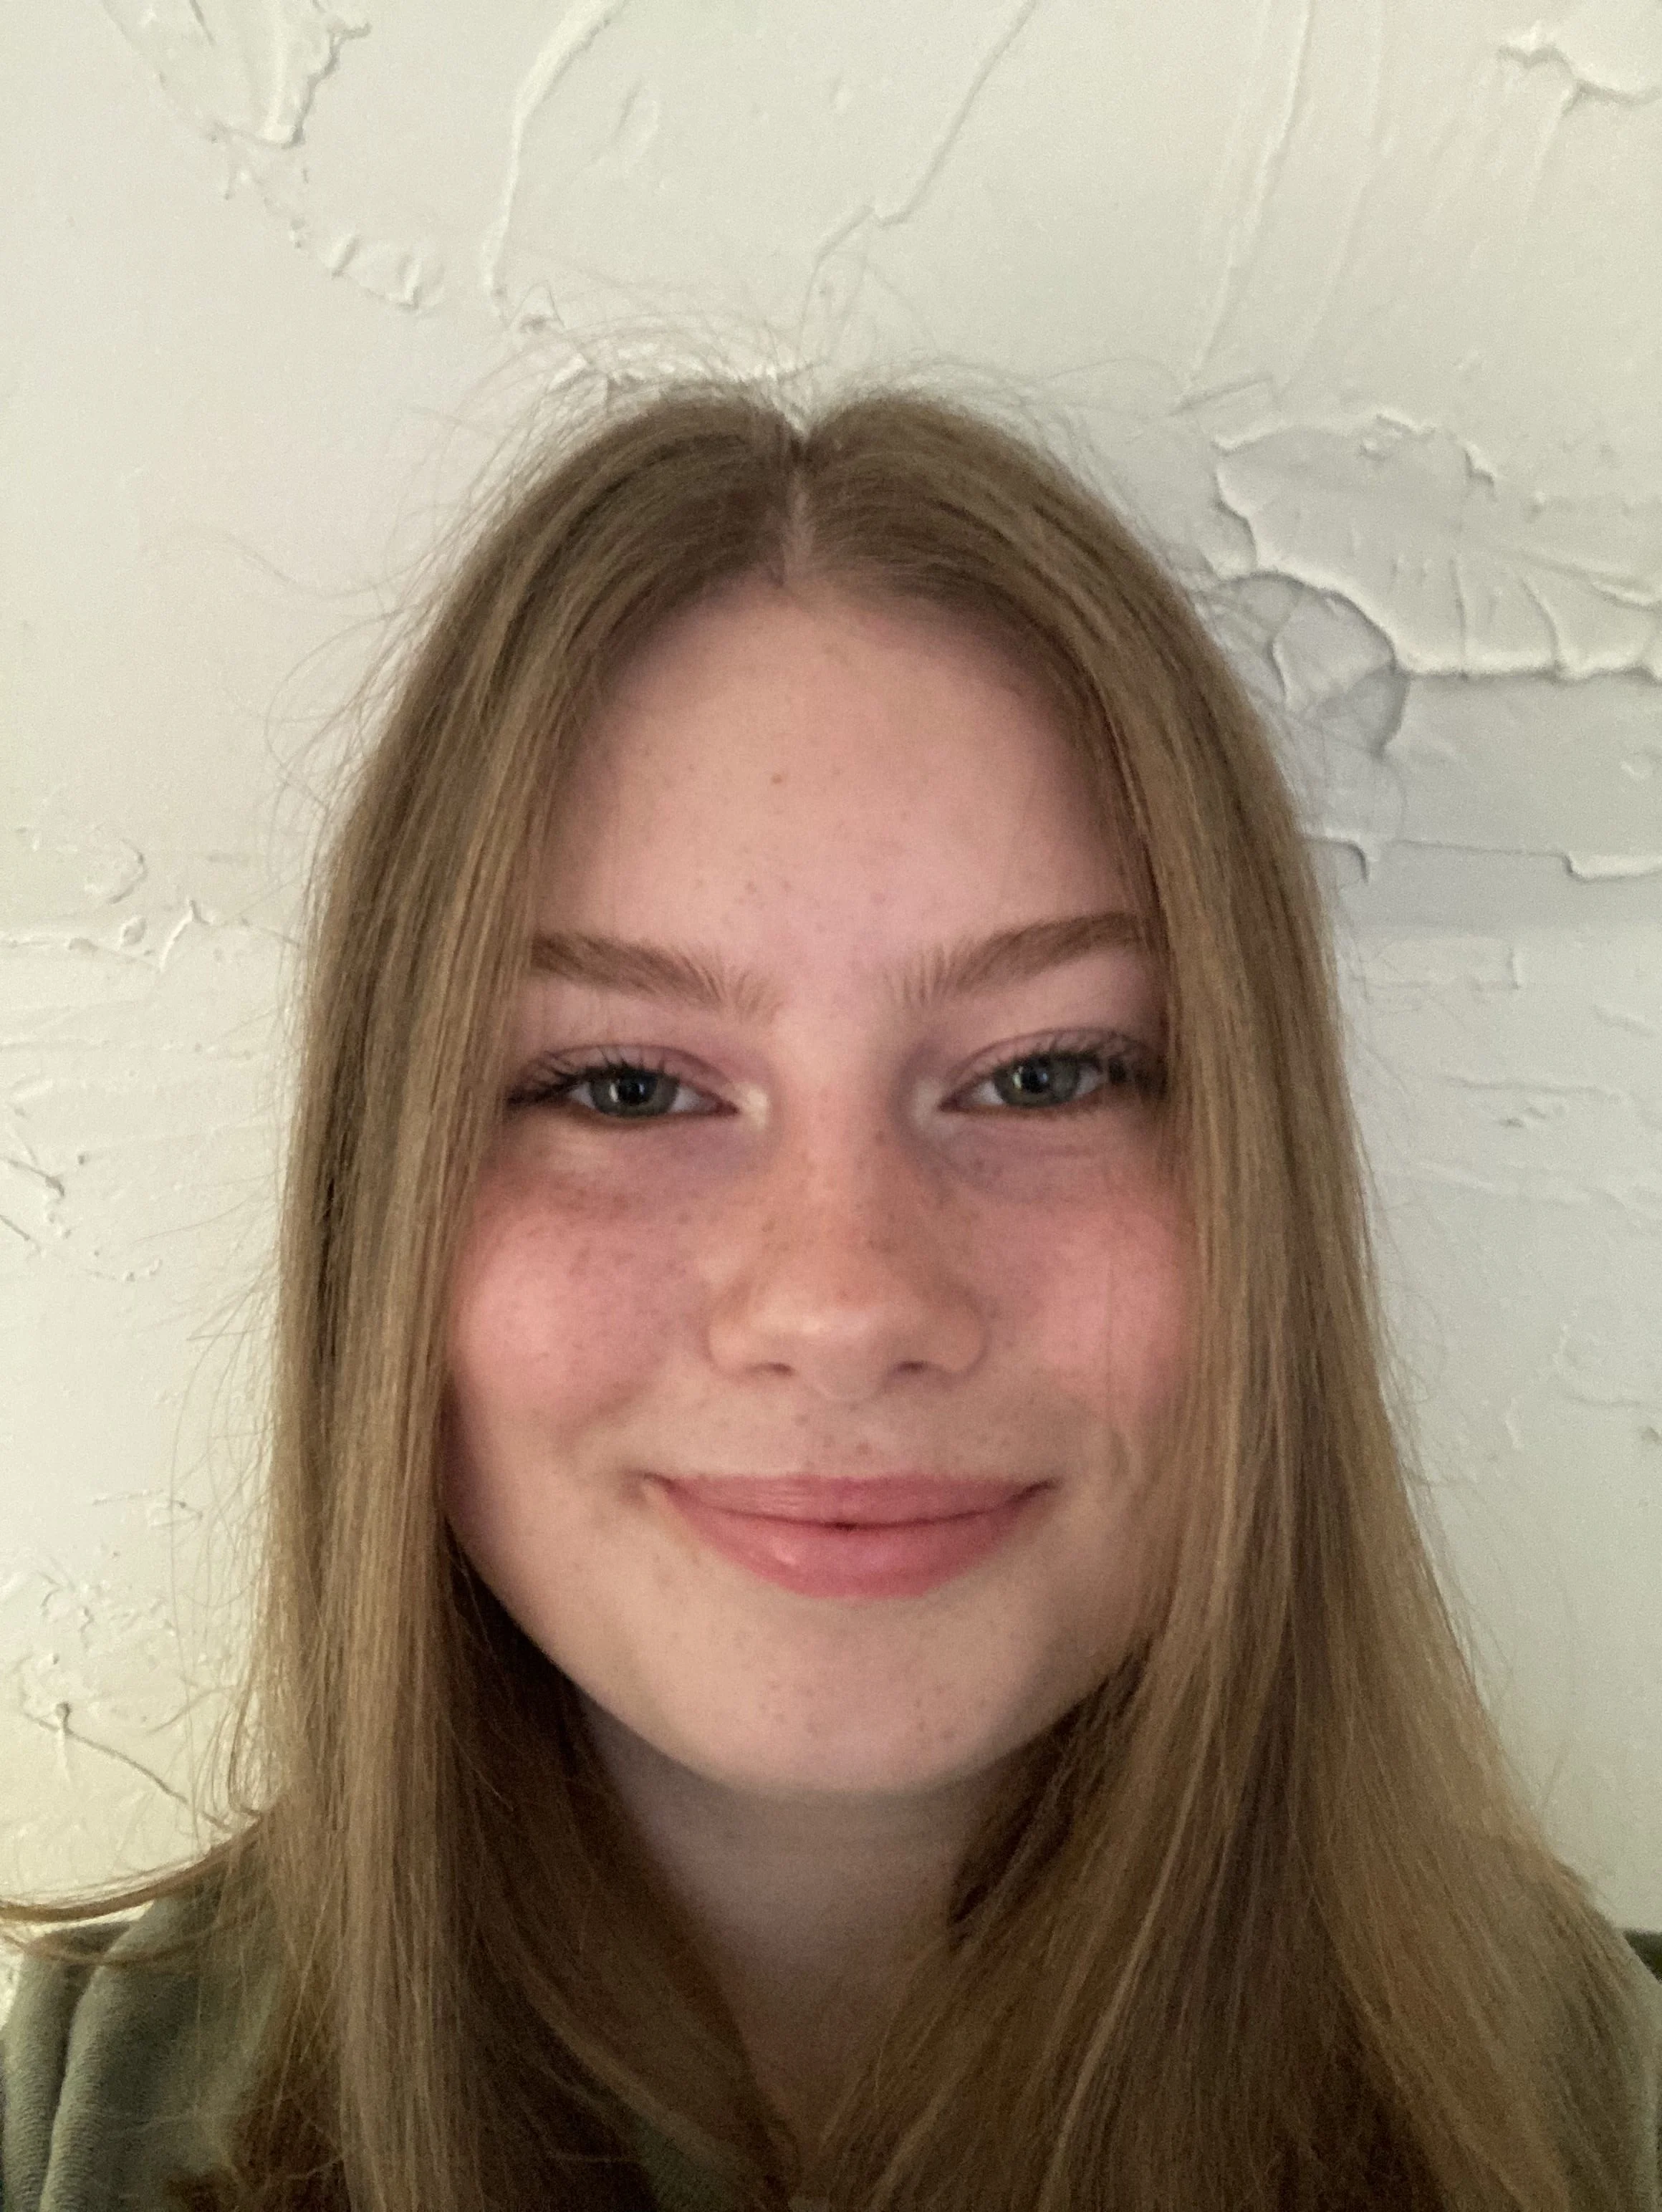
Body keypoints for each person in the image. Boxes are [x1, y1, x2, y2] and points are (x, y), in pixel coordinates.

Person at [2, 377, 1658, 2212]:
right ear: (385, 1217)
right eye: (623, 1086)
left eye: (1044, 1074)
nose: (844, 1302)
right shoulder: (81, 2112)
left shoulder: (1596, 2115)